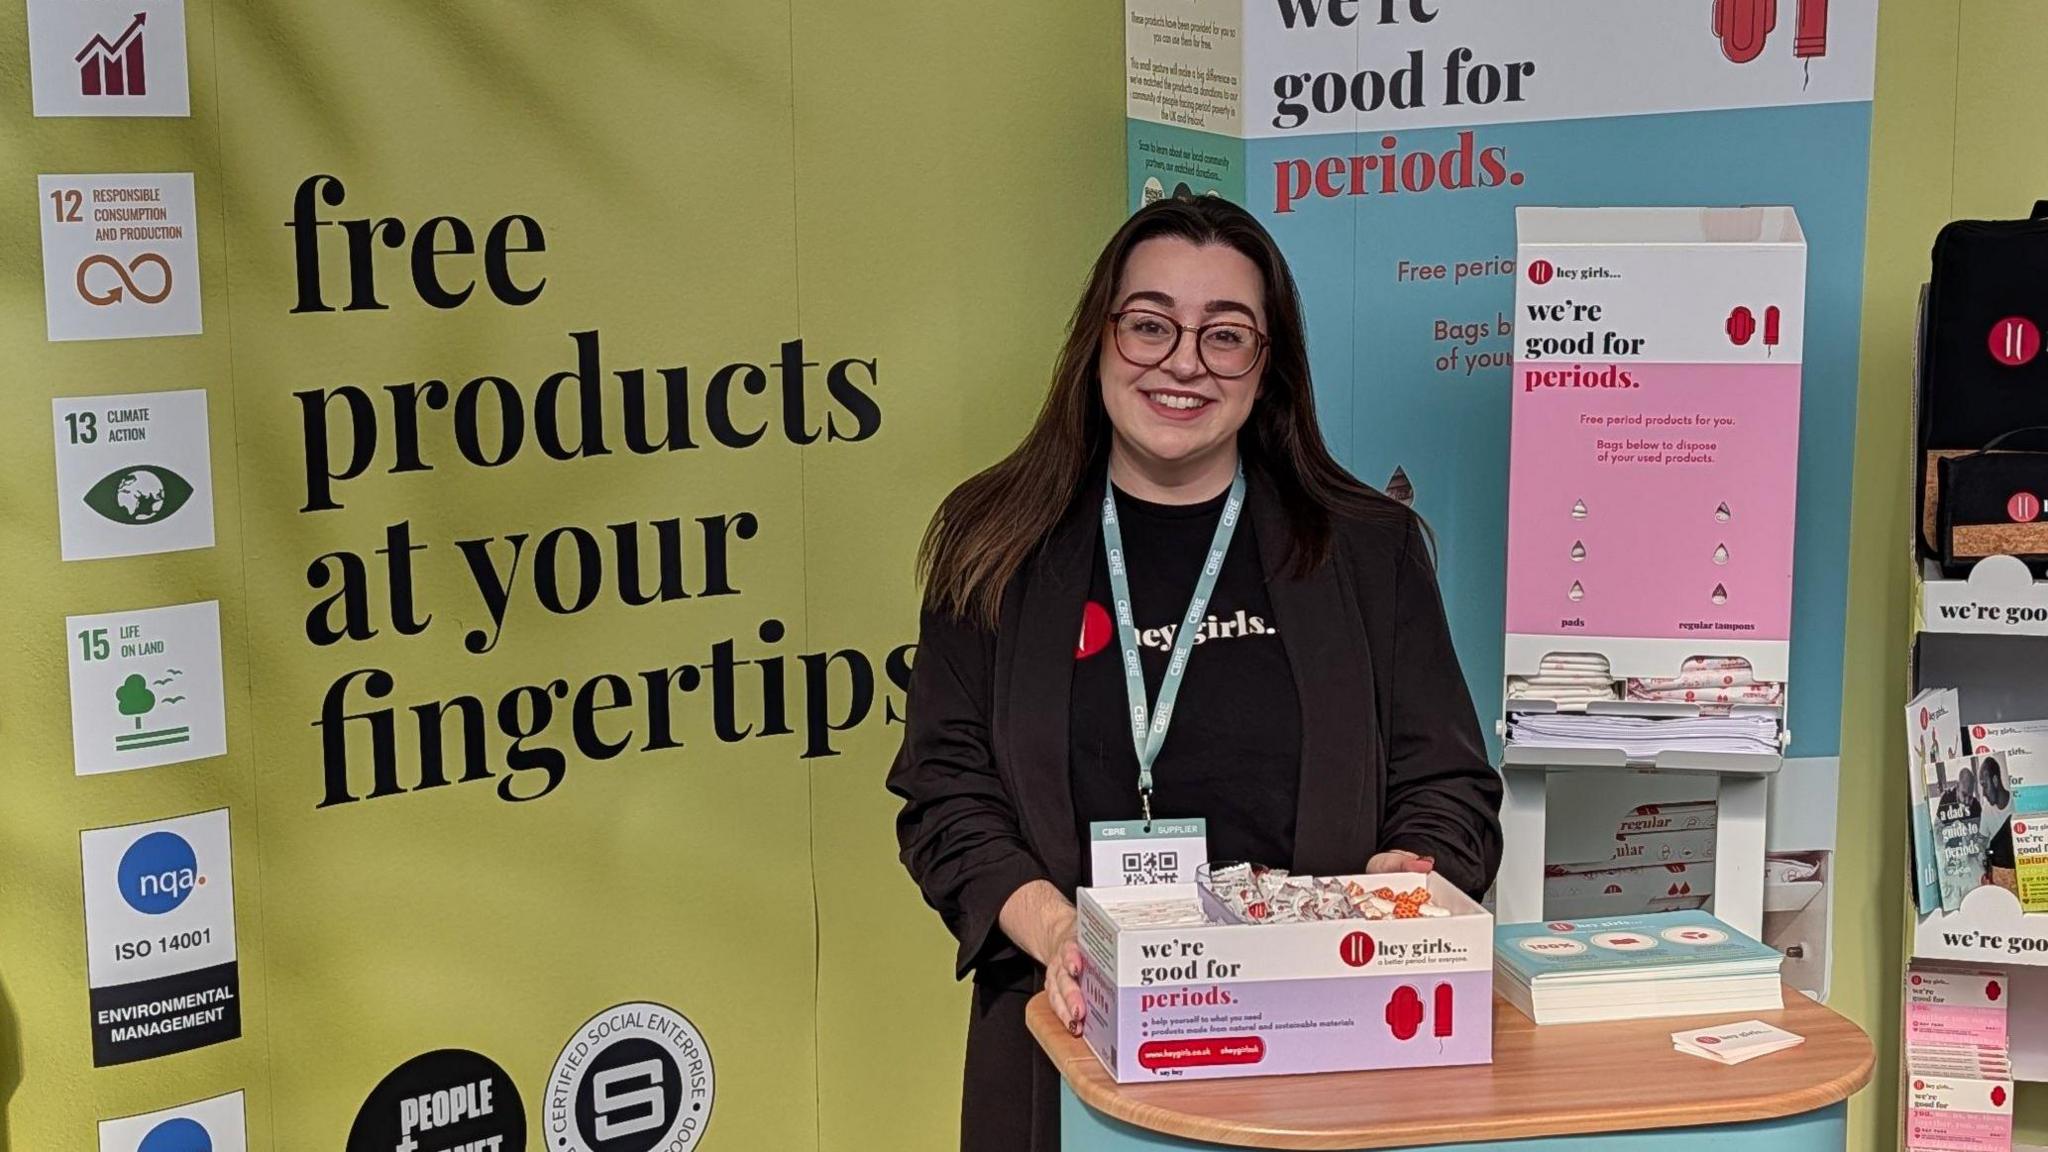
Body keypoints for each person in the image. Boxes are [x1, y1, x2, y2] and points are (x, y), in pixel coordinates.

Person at [886, 194, 1503, 1152]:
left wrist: (1401, 885)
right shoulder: (993, 542)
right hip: (1070, 1043)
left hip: (1319, 1050)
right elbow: (945, 794)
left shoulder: (1367, 550)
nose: (1183, 362)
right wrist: (1057, 934)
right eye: (1150, 325)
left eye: (1225, 335)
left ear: (1268, 365)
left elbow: (1448, 785)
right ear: (1098, 339)